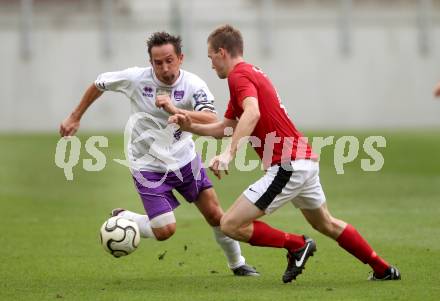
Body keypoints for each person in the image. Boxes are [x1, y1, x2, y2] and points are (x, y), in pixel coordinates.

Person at [170, 24, 401, 283]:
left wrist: (229, 154)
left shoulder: (239, 77)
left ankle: (296, 245)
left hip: (287, 164)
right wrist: (189, 125)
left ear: (222, 52)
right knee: (326, 223)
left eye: (211, 57)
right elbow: (226, 127)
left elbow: (253, 113)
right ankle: (383, 269)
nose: (211, 64)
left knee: (230, 225)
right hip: (303, 162)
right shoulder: (250, 74)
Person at [59, 31, 258, 276]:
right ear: (150, 62)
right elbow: (99, 84)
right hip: (147, 166)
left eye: (169, 60)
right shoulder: (135, 79)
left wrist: (177, 110)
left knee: (216, 215)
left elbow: (211, 117)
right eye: (158, 62)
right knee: (165, 231)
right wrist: (75, 116)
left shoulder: (193, 84)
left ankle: (237, 264)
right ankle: (128, 218)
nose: (164, 68)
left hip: (185, 160)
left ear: (180, 58)